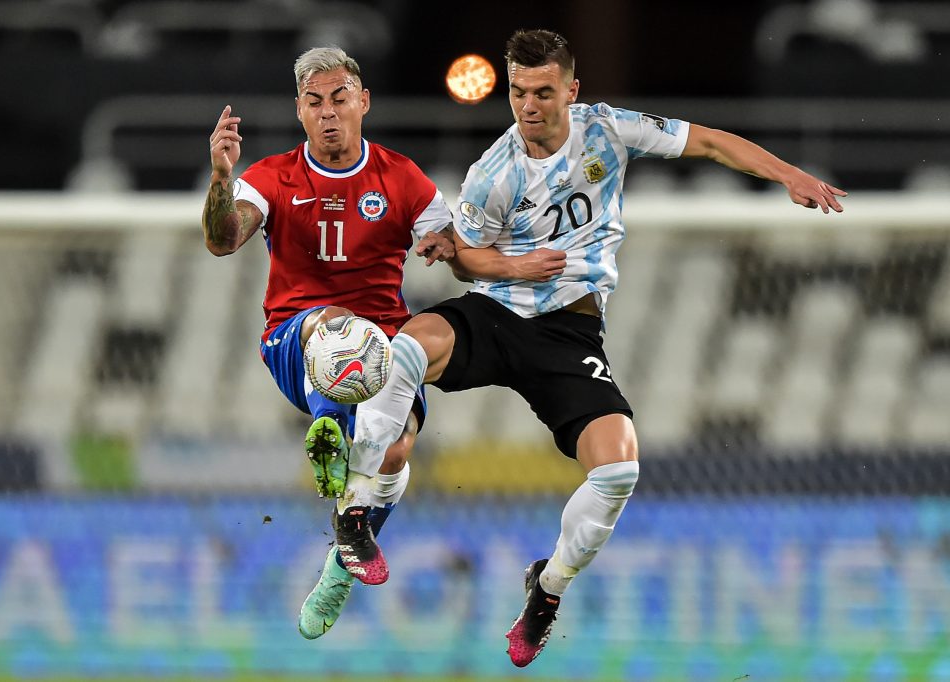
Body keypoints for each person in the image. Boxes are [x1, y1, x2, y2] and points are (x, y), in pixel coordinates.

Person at [324, 29, 847, 666]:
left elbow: (708, 141)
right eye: (518, 92)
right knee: (405, 346)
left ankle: (547, 590)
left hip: (569, 334)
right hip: (497, 312)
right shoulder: (494, 171)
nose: (529, 106)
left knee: (619, 469)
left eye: (543, 92)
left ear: (571, 90)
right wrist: (504, 267)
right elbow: (464, 265)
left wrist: (788, 175)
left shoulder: (610, 130)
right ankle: (354, 513)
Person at [200, 46, 458, 640]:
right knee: (335, 322)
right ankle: (330, 429)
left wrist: (457, 249)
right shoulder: (270, 178)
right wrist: (220, 178)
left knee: (395, 454)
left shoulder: (402, 178)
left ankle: (340, 563)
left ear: (363, 102)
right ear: (300, 112)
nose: (329, 112)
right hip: (295, 337)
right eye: (315, 103)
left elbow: (453, 249)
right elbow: (221, 241)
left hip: (388, 343)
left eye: (340, 98)